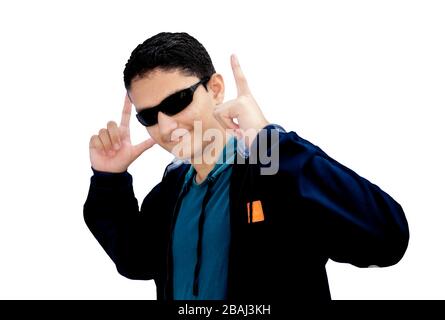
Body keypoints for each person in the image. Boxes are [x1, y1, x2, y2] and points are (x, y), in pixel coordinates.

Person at [83, 32, 409, 301]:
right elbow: (136, 260)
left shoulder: (273, 170)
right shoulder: (171, 190)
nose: (166, 128)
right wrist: (109, 181)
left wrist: (268, 141)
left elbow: (385, 238)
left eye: (177, 102)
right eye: (149, 116)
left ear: (215, 89)